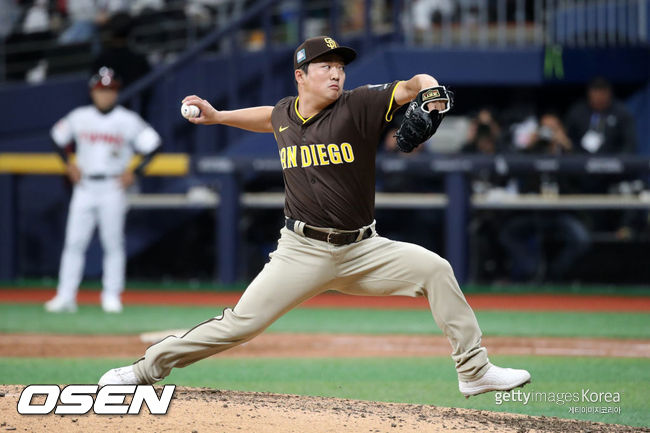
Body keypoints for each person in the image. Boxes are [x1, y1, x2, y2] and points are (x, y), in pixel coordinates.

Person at [99, 36, 530, 396]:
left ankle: (473, 371)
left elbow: (412, 85)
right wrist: (218, 117)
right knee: (238, 326)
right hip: (301, 252)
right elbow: (268, 118)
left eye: (340, 65)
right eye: (325, 66)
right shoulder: (287, 111)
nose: (337, 72)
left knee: (435, 269)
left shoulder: (358, 105)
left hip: (364, 249)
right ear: (301, 76)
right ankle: (144, 370)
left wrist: (432, 92)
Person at [45, 67, 161, 313]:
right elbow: (57, 137)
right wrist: (68, 164)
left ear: (116, 92)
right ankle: (65, 295)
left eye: (110, 90)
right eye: (101, 90)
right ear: (92, 92)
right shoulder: (80, 116)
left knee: (113, 243)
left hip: (113, 186)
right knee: (75, 242)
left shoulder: (127, 120)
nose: (105, 95)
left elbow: (154, 145)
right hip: (85, 185)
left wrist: (136, 172)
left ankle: (111, 295)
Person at [499, 113, 590, 282]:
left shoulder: (569, 152)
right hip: (532, 213)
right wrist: (529, 146)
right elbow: (508, 170)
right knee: (508, 233)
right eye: (544, 129)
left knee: (581, 238)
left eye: (552, 129)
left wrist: (566, 146)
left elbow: (588, 177)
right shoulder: (531, 152)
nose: (548, 133)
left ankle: (553, 275)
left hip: (562, 213)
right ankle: (531, 270)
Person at [565, 77, 637, 156]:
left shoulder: (621, 113)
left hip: (613, 161)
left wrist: (620, 161)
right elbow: (568, 138)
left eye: (602, 95)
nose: (599, 99)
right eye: (595, 96)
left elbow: (630, 143)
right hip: (581, 161)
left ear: (609, 94)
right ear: (589, 94)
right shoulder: (577, 112)